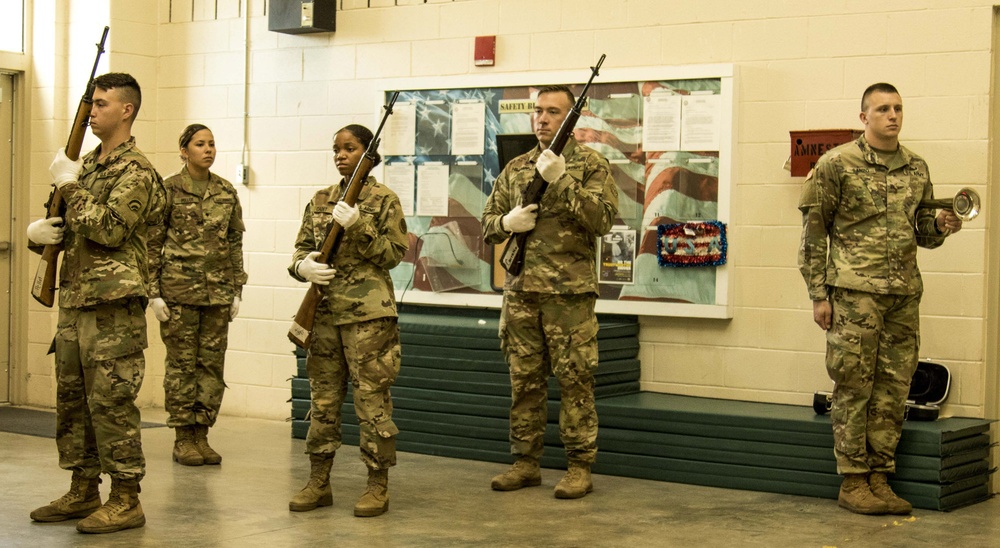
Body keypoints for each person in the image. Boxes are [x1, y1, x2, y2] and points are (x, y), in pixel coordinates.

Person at [798, 82, 963, 515]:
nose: (893, 116)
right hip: (854, 295)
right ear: (863, 117)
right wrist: (819, 295)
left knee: (893, 388)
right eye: (883, 109)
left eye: (899, 108)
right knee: (854, 385)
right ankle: (852, 480)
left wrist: (941, 225)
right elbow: (814, 236)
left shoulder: (916, 167)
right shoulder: (836, 164)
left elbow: (922, 232)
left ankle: (879, 476)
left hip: (902, 295)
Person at [25, 72, 165, 534]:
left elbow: (108, 228)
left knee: (111, 402)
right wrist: (39, 234)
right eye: (92, 104)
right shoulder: (85, 165)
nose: (92, 112)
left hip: (113, 305)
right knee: (73, 401)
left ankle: (126, 498)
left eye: (101, 104)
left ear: (126, 110)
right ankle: (83, 487)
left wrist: (69, 185)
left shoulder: (137, 171)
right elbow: (66, 223)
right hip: (76, 300)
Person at [481, 85, 619, 499]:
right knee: (524, 382)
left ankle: (579, 466)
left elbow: (603, 220)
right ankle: (525, 462)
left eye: (552, 112)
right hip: (521, 293)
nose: (541, 118)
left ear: (569, 120)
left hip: (569, 297)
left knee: (575, 381)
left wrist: (561, 182)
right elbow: (487, 224)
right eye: (538, 111)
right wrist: (508, 222)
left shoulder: (591, 166)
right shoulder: (517, 168)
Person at [287, 124, 408, 517]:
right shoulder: (321, 199)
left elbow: (393, 254)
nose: (340, 154)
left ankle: (377, 484)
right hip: (323, 314)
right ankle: (318, 482)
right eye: (336, 148)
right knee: (322, 402)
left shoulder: (384, 199)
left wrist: (360, 226)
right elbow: (301, 250)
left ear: (367, 154)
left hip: (368, 316)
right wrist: (303, 267)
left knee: (371, 402)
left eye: (349, 148)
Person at [147, 124, 247, 467]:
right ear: (184, 150)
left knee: (211, 366)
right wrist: (153, 293)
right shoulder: (168, 189)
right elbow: (152, 242)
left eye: (212, 144)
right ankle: (183, 437)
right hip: (178, 292)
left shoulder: (225, 191)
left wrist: (237, 288)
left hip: (217, 292)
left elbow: (234, 242)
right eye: (200, 144)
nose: (208, 149)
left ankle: (202, 434)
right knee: (181, 367)